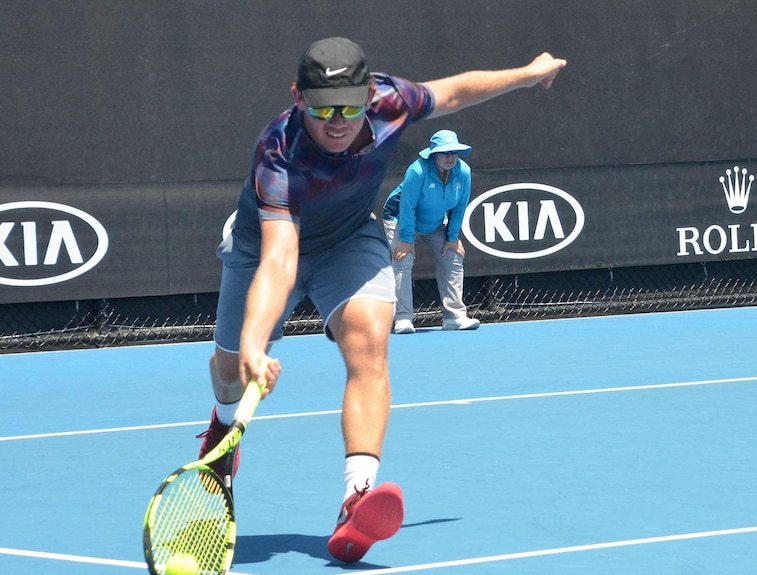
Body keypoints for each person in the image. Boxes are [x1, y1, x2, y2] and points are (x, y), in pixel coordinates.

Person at [199, 36, 566, 564]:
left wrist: (527, 74)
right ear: (297, 97)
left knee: (371, 343)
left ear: (369, 93)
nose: (337, 121)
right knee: (230, 369)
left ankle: (356, 498)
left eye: (350, 106)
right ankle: (221, 425)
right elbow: (280, 258)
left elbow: (458, 91)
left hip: (348, 240)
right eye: (322, 108)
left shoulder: (392, 102)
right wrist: (256, 342)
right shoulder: (278, 150)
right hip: (267, 249)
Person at [383, 129, 480, 334]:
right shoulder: (417, 171)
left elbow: (460, 206)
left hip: (434, 222)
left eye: (454, 152)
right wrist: (407, 240)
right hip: (400, 218)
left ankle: (454, 317)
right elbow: (407, 206)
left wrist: (453, 237)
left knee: (453, 257)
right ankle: (403, 319)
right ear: (434, 154)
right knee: (402, 260)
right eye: (445, 152)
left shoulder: (463, 171)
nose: (450, 157)